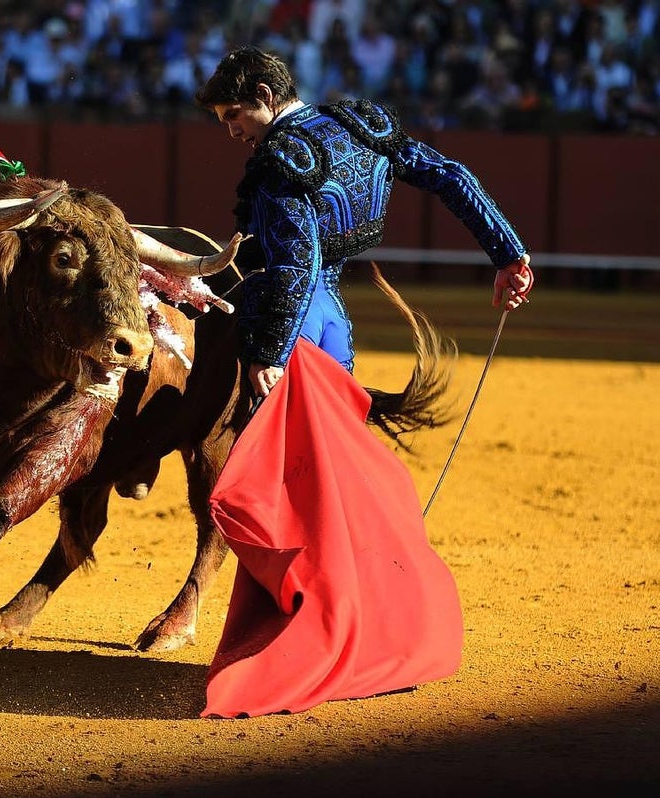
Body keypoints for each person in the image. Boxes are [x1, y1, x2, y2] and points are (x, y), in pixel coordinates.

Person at [193, 46, 533, 719]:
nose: (231, 129)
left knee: (282, 491)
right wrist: (508, 251)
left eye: (234, 114)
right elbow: (450, 175)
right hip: (338, 331)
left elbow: (295, 265)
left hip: (294, 325)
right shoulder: (360, 128)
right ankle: (367, 619)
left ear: (264, 93)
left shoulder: (280, 159)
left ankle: (313, 633)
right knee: (332, 487)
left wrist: (267, 351)